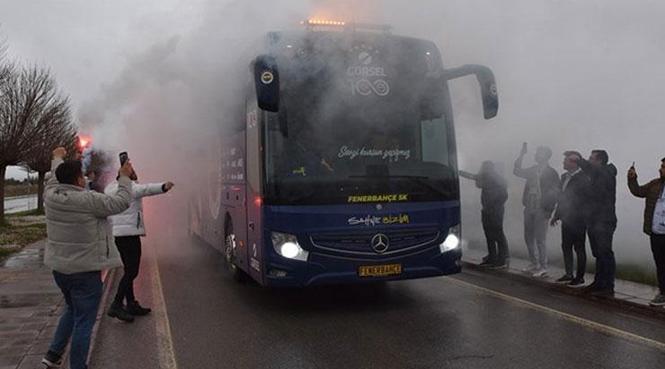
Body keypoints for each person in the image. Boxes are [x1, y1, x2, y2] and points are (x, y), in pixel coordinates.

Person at [41, 147, 134, 369]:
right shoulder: (89, 201)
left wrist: (56, 158)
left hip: (60, 270)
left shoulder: (51, 195)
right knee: (84, 322)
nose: (84, 179)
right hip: (85, 272)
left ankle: (53, 355)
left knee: (72, 309)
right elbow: (120, 202)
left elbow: (54, 179)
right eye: (81, 176)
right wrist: (124, 177)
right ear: (76, 180)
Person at [104, 163, 174, 322]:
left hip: (119, 234)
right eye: (132, 171)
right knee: (132, 271)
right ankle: (116, 304)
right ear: (126, 174)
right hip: (130, 234)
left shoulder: (110, 188)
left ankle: (131, 303)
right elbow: (146, 189)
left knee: (128, 270)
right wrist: (163, 186)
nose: (135, 173)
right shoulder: (130, 188)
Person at [574, 150, 617, 296]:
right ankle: (598, 283)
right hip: (594, 219)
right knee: (598, 253)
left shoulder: (606, 173)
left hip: (604, 220)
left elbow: (592, 169)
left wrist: (579, 160)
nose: (589, 161)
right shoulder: (596, 175)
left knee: (605, 253)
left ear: (599, 161)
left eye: (591, 159)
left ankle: (608, 287)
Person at [514, 143, 561, 277]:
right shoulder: (533, 169)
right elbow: (517, 171)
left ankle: (543, 266)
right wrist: (521, 155)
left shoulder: (552, 173)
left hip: (542, 208)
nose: (535, 155)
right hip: (529, 206)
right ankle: (534, 263)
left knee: (540, 238)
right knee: (528, 236)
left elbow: (556, 192)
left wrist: (549, 210)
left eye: (538, 153)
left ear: (546, 156)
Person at [627, 158, 665, 306]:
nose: (660, 169)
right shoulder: (655, 184)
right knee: (660, 264)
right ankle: (663, 293)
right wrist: (632, 179)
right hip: (656, 233)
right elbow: (638, 191)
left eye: (663, 167)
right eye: (661, 166)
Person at [550, 151, 590, 287]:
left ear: (574, 162)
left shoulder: (583, 178)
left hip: (578, 219)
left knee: (579, 248)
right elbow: (562, 198)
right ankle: (568, 274)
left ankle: (580, 277)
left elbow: (583, 199)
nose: (563, 163)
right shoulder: (564, 177)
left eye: (566, 160)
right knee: (566, 246)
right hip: (566, 217)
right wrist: (556, 215)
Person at [459, 161, 510, 268]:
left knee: (497, 233)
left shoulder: (497, 180)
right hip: (487, 210)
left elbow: (504, 195)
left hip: (495, 211)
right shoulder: (486, 178)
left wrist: (493, 206)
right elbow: (472, 177)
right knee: (489, 234)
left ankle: (503, 258)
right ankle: (492, 257)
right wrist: (459, 172)